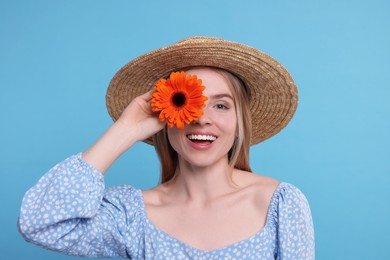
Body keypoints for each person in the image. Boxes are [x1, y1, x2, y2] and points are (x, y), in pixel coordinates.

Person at [18, 36, 314, 259]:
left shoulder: (280, 204)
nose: (201, 119)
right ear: (165, 117)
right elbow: (39, 223)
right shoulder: (131, 215)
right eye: (186, 102)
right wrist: (126, 130)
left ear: (240, 122)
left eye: (221, 105)